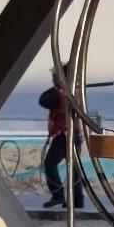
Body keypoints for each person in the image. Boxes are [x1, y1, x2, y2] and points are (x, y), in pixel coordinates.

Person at [37, 78, 75, 208]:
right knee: (71, 167)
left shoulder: (60, 95)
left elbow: (43, 100)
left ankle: (59, 195)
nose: (53, 80)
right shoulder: (66, 94)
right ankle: (68, 198)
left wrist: (57, 88)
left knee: (50, 164)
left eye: (54, 77)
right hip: (66, 135)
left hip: (63, 136)